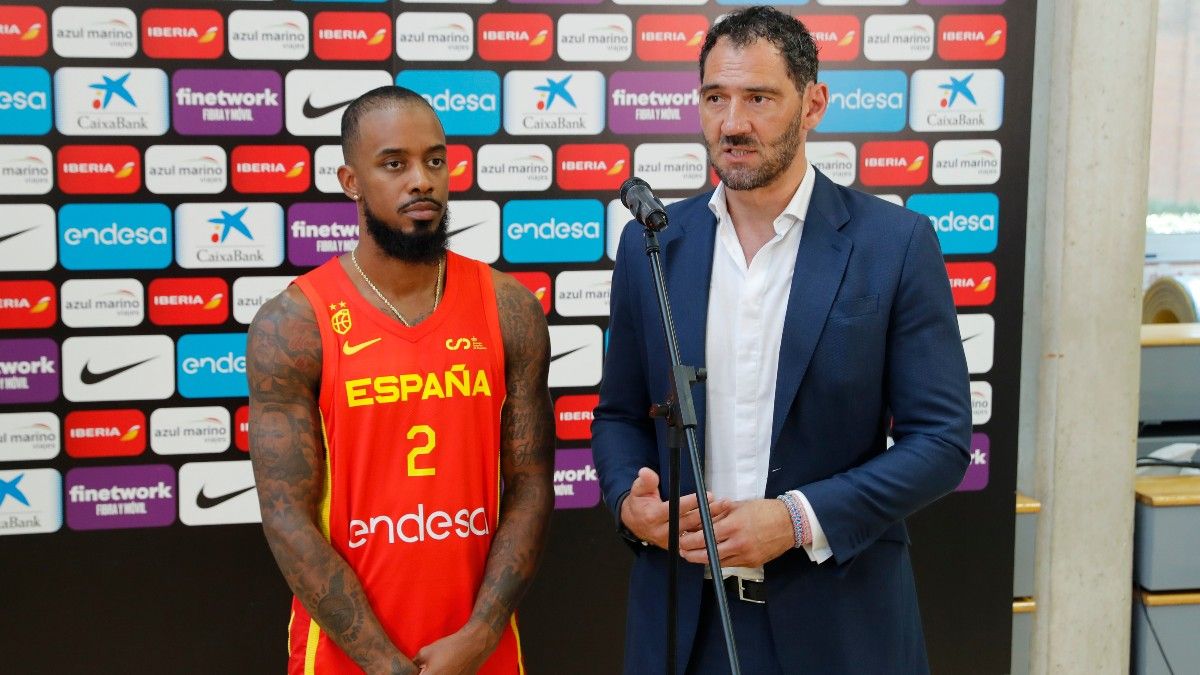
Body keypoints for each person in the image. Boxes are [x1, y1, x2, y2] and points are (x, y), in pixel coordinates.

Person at [592, 6, 972, 674]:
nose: (732, 124)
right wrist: (631, 500)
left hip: (840, 625)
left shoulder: (895, 245)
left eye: (759, 98)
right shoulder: (653, 242)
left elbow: (940, 441)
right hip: (683, 623)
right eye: (715, 98)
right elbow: (619, 415)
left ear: (813, 104)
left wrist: (797, 518)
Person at [247, 85, 554, 675]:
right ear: (350, 180)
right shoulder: (294, 323)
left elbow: (532, 486)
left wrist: (482, 632)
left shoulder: (509, 308)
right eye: (395, 164)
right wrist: (384, 663)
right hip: (343, 657)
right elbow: (286, 516)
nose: (423, 180)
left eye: (434, 160)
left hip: (478, 651)